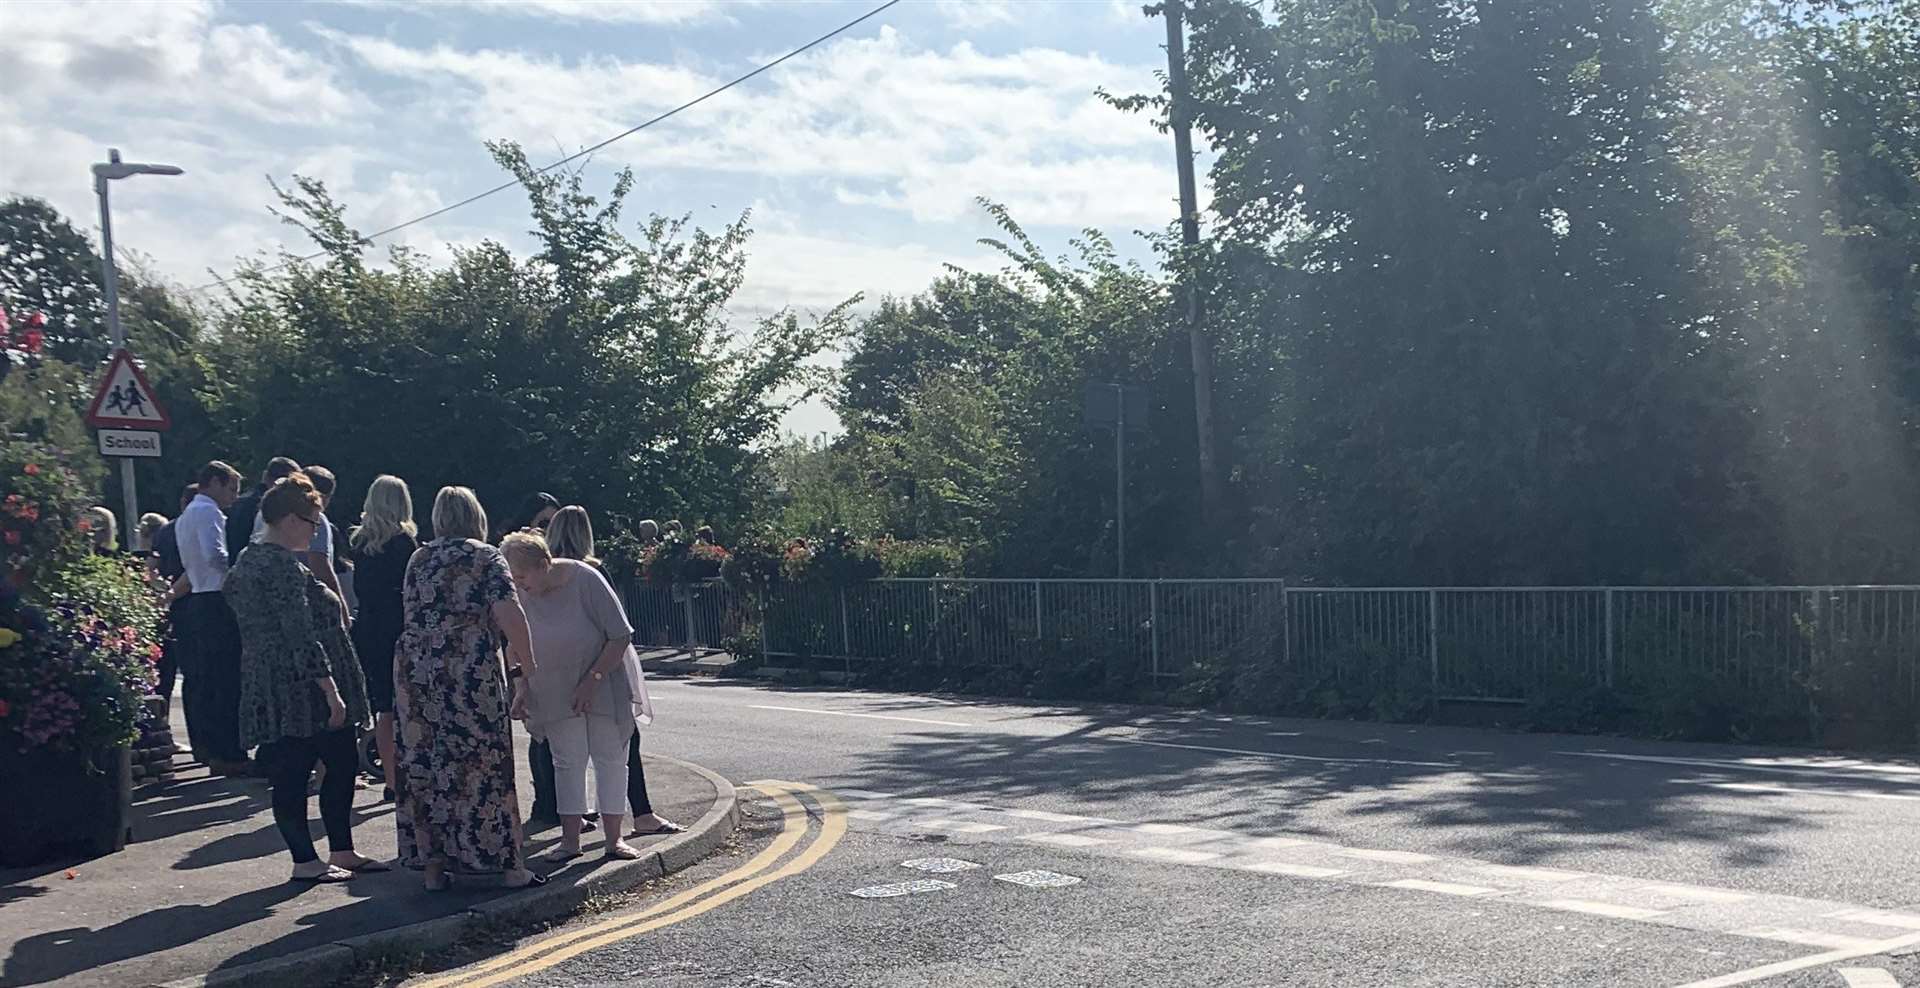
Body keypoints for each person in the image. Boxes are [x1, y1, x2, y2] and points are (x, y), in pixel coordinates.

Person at [223, 473, 380, 883]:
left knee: (319, 765)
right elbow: (300, 633)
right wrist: (330, 691)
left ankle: (339, 851)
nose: (315, 532)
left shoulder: (248, 560)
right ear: (291, 519)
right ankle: (307, 861)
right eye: (313, 522)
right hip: (301, 686)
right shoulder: (281, 569)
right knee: (312, 766)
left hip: (272, 679)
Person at [394, 486, 543, 891]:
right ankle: (506, 865)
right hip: (467, 666)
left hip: (417, 671)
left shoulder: (418, 558)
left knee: (429, 762)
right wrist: (528, 671)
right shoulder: (485, 556)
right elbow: (508, 613)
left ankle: (434, 868)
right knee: (483, 762)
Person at [502, 532, 644, 861]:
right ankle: (570, 842)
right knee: (566, 762)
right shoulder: (520, 593)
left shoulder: (585, 578)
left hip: (602, 684)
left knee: (610, 758)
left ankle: (614, 839)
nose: (519, 586)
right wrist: (521, 687)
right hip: (551, 688)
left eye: (522, 577)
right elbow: (513, 648)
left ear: (543, 565)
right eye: (513, 580)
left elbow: (620, 635)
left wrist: (592, 680)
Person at [543, 507, 682, 839]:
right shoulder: (592, 571)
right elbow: (615, 627)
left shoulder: (543, 574)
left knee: (561, 750)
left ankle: (565, 819)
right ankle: (640, 815)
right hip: (601, 665)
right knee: (621, 742)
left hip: (556, 668)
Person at [175, 461, 252, 776]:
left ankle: (212, 749)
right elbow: (215, 554)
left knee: (209, 679)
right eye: (231, 487)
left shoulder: (185, 515)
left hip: (199, 597)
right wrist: (239, 575)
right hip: (218, 598)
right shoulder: (208, 512)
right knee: (228, 679)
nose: (234, 496)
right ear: (215, 483)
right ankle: (231, 752)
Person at [348, 475, 418, 803]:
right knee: (407, 705)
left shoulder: (360, 542)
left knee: (384, 709)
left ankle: (391, 780)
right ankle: (410, 774)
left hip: (368, 627)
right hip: (398, 627)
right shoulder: (403, 542)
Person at [151, 485, 196, 704]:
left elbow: (152, 566)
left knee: (166, 671)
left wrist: (162, 593)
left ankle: (161, 722)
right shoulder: (195, 529)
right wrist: (171, 593)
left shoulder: (166, 530)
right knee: (194, 671)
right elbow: (193, 572)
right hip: (192, 602)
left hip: (170, 607)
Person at [228, 457, 301, 565]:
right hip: (256, 564)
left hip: (236, 566)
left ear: (265, 475)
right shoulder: (271, 509)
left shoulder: (239, 502)